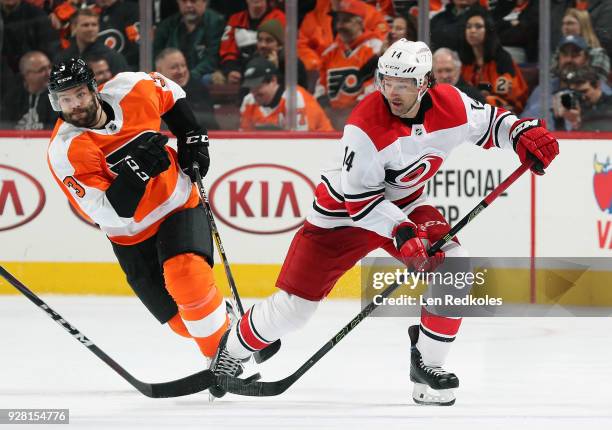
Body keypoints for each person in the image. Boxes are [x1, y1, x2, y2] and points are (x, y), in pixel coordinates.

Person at [206, 39, 559, 403]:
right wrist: (401, 232)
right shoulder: (365, 125)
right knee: (295, 311)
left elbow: (491, 123)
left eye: (403, 84)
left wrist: (520, 134)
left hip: (406, 207)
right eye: (386, 81)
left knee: (455, 265)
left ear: (424, 84)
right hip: (340, 218)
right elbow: (359, 201)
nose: (392, 91)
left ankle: (427, 368)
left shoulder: (451, 104)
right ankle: (232, 348)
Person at [46, 58, 232, 369]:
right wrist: (137, 171)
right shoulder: (66, 151)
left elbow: (169, 92)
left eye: (79, 94)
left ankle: (224, 361)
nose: (74, 105)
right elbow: (107, 215)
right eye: (65, 99)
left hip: (178, 203)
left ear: (93, 89)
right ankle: (225, 321)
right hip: (131, 235)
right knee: (182, 323)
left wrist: (192, 133)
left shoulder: (131, 88)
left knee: (186, 277)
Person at [459, 6, 528, 113]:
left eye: (478, 26)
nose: (472, 31)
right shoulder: (464, 61)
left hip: (499, 111)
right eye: (468, 27)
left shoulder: (502, 58)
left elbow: (513, 95)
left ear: (488, 30)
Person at [239, 57, 333, 131]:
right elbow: (244, 137)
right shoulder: (249, 101)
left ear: (273, 80)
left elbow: (302, 142)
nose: (254, 92)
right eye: (251, 87)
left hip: (322, 148)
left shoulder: (294, 97)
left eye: (258, 87)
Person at [154, 0, 225, 85]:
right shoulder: (168, 25)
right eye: (184, 1)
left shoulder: (216, 23)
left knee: (207, 79)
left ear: (205, 2)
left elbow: (212, 58)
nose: (188, 5)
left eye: (193, 1)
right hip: (173, 76)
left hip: (201, 75)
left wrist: (188, 76)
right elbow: (156, 54)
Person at [217, 0, 285, 85]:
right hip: (239, 70)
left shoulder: (279, 18)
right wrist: (231, 70)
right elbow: (227, 50)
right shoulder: (235, 19)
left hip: (266, 69)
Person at [155, 47, 219, 130]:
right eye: (174, 67)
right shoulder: (152, 94)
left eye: (183, 65)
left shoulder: (200, 89)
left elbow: (208, 122)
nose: (181, 71)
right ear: (159, 71)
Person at [55, 8, 128, 75]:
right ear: (74, 27)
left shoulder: (112, 57)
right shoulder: (64, 58)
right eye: (85, 25)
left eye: (94, 25)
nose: (91, 29)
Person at [0, 50, 57, 129]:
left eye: (49, 67)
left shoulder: (58, 96)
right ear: (26, 75)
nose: (48, 73)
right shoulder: (12, 98)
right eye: (41, 70)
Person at [554, 66, 612, 132]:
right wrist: (559, 119)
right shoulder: (575, 108)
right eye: (576, 93)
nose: (582, 97)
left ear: (597, 85)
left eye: (584, 91)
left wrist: (580, 120)